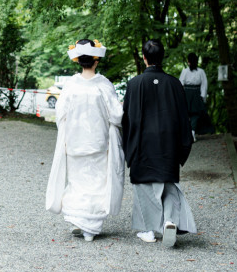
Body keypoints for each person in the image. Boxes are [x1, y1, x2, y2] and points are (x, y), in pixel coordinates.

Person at [46, 39, 125, 242]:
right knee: (97, 185)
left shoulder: (71, 85)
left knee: (77, 183)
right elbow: (116, 116)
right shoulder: (104, 85)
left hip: (74, 142)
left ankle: (78, 221)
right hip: (98, 143)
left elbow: (60, 114)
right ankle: (89, 227)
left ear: (78, 61)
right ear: (96, 60)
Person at [122, 39, 196, 247]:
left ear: (144, 58)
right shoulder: (174, 84)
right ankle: (170, 221)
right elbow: (184, 118)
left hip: (143, 143)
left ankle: (148, 230)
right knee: (168, 184)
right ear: (162, 57)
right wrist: (183, 147)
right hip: (169, 144)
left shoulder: (134, 84)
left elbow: (127, 119)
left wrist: (129, 149)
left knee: (144, 186)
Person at [179, 53, 212, 138]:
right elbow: (204, 84)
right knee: (194, 114)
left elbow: (180, 84)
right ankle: (191, 132)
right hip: (194, 94)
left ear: (188, 61)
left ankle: (192, 132)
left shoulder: (189, 71)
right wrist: (203, 96)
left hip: (190, 94)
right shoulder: (198, 71)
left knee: (193, 114)